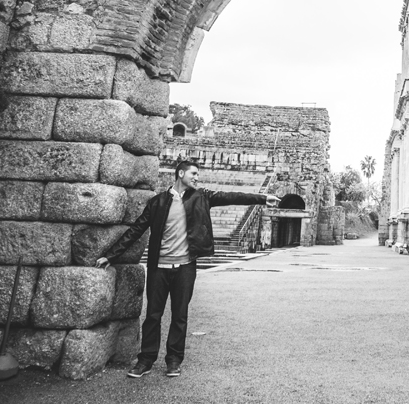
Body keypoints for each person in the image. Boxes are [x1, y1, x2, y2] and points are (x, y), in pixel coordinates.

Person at [96, 159, 279, 378]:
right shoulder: (158, 202)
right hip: (159, 268)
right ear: (180, 173)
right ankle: (145, 360)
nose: (197, 177)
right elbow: (136, 230)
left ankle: (174, 360)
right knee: (153, 316)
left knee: (179, 315)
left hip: (184, 267)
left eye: (198, 174)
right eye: (193, 173)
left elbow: (230, 196)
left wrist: (261, 198)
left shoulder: (201, 197)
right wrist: (111, 255)